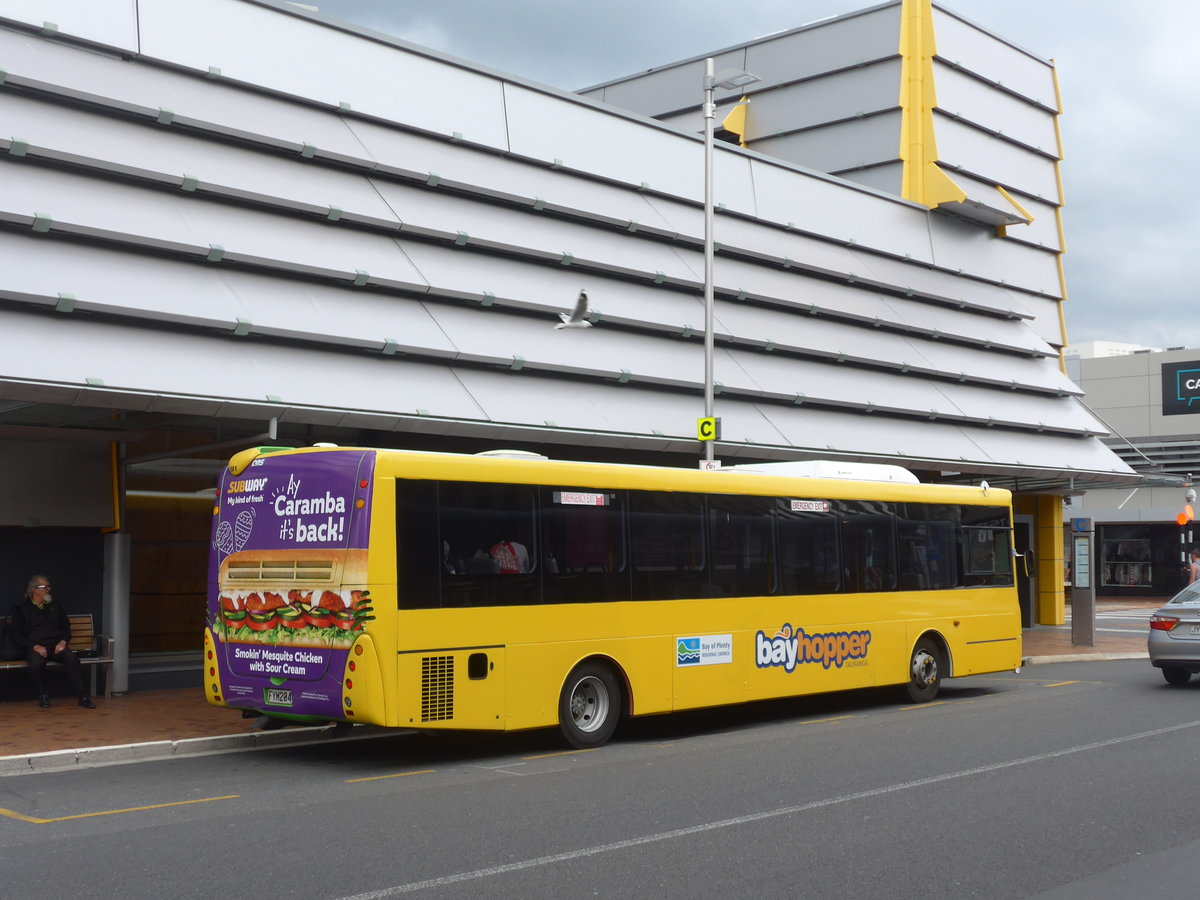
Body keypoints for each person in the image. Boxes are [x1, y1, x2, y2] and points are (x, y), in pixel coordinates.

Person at [10, 575, 95, 709]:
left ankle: (83, 696)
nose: (48, 589)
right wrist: (34, 646)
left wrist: (63, 642)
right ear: (34, 589)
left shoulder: (55, 606)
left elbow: (66, 627)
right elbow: (16, 635)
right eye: (45, 587)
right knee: (36, 664)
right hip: (35, 647)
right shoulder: (22, 609)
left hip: (55, 645)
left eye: (49, 587)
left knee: (71, 658)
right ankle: (43, 694)